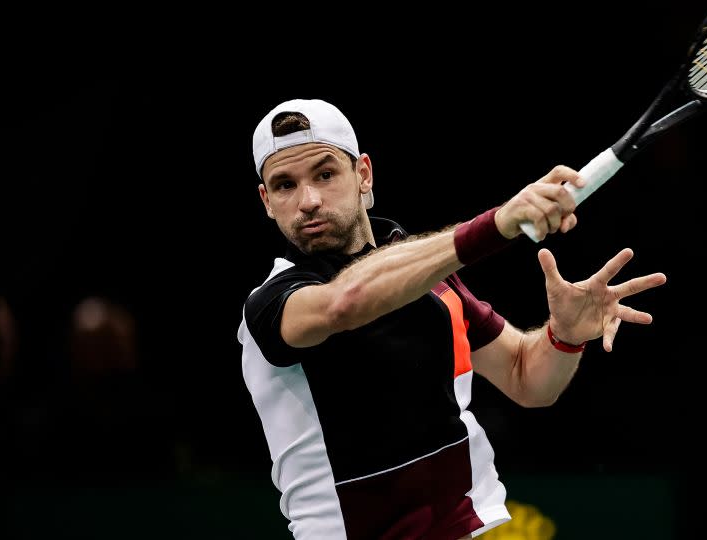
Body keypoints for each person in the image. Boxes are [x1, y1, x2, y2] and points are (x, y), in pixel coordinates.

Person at [236, 98, 667, 539]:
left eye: (325, 175)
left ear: (363, 174)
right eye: (285, 185)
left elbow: (527, 378)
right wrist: (498, 223)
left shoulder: (425, 275)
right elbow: (345, 302)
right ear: (267, 201)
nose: (308, 201)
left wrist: (566, 336)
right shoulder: (273, 303)